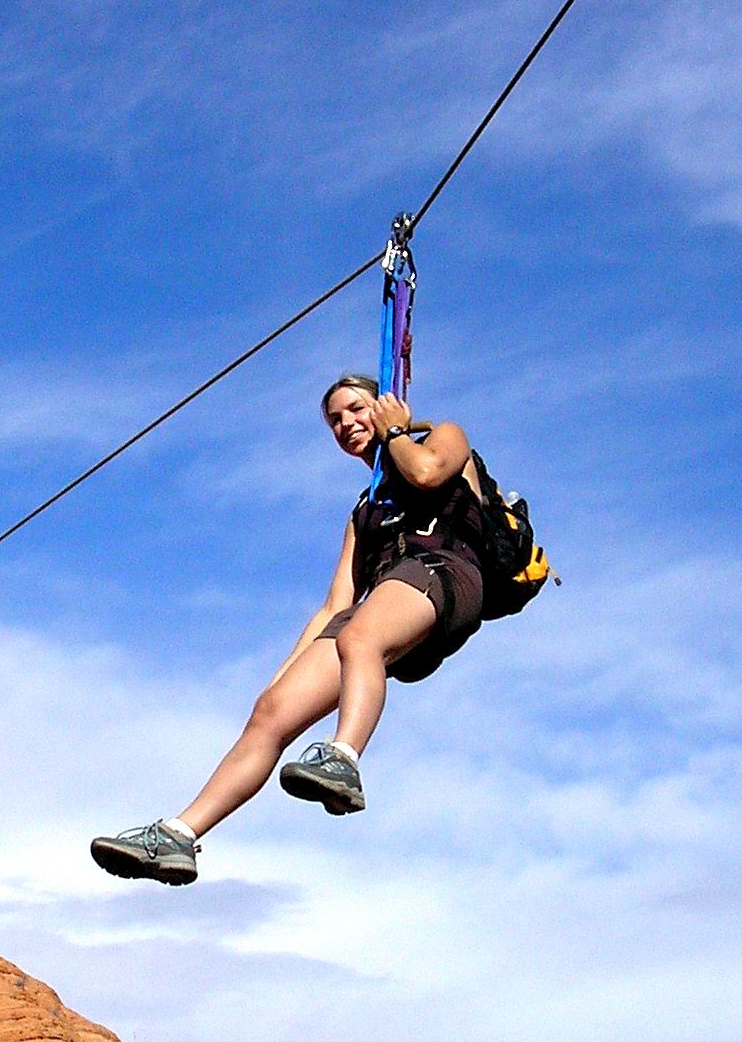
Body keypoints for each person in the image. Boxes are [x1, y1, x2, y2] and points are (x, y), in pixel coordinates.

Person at [92, 374, 491, 885]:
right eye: (335, 421)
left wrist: (396, 432)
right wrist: (282, 677)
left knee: (360, 636)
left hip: (445, 573)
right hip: (389, 599)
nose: (346, 424)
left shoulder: (446, 437)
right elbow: (335, 606)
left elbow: (429, 473)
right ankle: (179, 835)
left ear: (386, 405)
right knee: (272, 711)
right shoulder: (365, 511)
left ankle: (343, 759)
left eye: (356, 409)